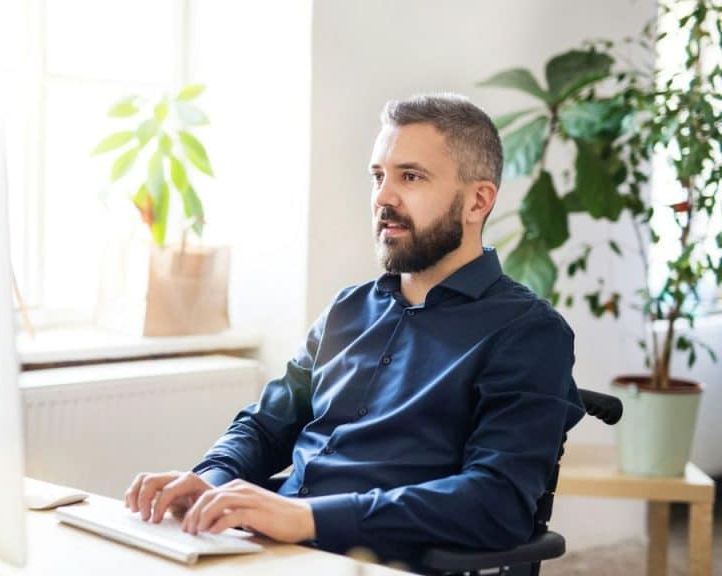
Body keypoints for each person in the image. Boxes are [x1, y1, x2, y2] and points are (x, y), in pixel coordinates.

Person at [124, 93, 585, 565]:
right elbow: (265, 426)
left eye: (410, 176)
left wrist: (306, 517)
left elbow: (496, 502)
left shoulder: (528, 333)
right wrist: (211, 482)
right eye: (378, 176)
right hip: (263, 548)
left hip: (372, 560)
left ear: (477, 201)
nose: (384, 196)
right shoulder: (349, 308)